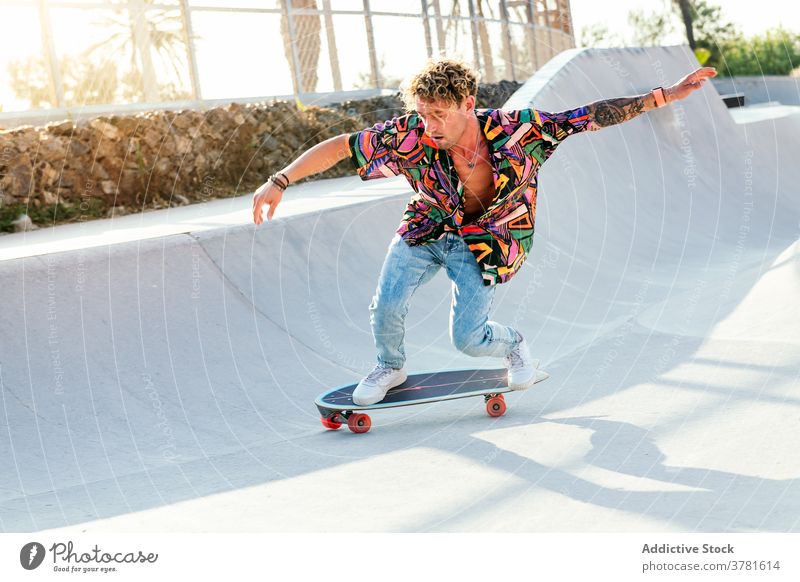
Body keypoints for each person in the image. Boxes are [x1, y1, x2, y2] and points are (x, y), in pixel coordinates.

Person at [253, 58, 716, 405]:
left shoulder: (520, 131)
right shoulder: (409, 134)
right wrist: (279, 181)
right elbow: (341, 147)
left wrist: (663, 96)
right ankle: (390, 367)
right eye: (422, 114)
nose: (429, 125)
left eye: (439, 114)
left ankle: (513, 344)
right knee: (385, 306)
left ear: (468, 104)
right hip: (426, 227)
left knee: (468, 339)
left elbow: (588, 116)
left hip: (485, 240)